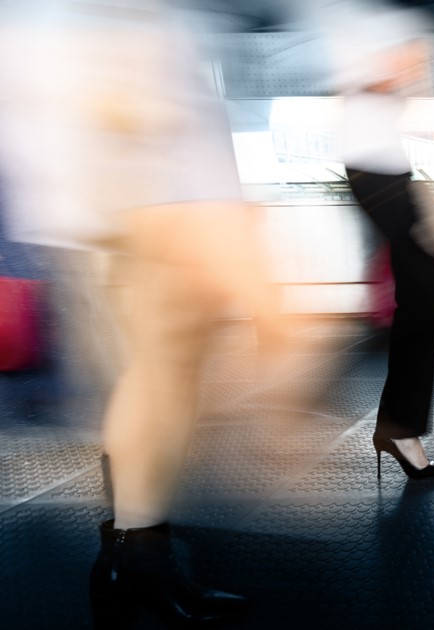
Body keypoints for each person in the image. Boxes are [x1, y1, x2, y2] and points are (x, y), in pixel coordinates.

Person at [0, 1, 302, 624]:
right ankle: (136, 564)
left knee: (164, 381)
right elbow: (113, 95)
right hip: (136, 205)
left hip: (150, 200)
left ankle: (132, 563)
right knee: (157, 376)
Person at [311, 0, 434, 479]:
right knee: (423, 296)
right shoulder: (364, 22)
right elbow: (371, 80)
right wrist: (398, 67)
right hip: (376, 172)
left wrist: (403, 70)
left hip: (388, 171)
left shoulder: (385, 22)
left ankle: (398, 426)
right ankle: (396, 427)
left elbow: (386, 87)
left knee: (422, 296)